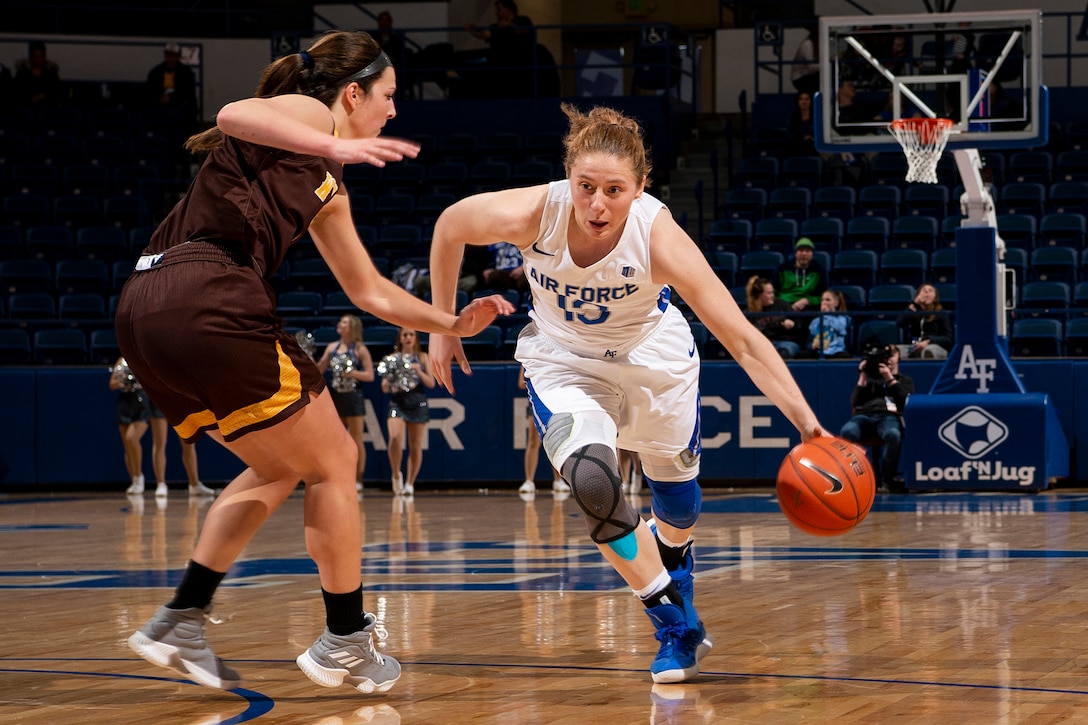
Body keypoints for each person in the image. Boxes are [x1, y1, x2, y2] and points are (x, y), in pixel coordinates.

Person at [114, 30, 513, 695]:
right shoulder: (311, 113)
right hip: (210, 293)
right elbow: (230, 114)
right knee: (336, 461)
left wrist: (450, 323)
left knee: (282, 464)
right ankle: (346, 639)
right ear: (352, 92)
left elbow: (368, 291)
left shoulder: (329, 181)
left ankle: (181, 617)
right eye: (386, 96)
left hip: (146, 308)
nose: (391, 111)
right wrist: (330, 138)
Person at [425, 103, 828, 683]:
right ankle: (671, 621)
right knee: (592, 479)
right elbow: (449, 226)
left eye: (614, 190)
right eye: (585, 186)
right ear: (569, 178)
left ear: (641, 188)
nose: (596, 203)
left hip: (652, 361)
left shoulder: (659, 238)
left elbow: (740, 338)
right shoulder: (536, 213)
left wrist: (806, 423)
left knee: (680, 508)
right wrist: (440, 326)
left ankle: (677, 564)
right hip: (564, 362)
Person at [839, 344, 915, 493]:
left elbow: (904, 402)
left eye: (892, 356)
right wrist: (863, 376)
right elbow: (854, 401)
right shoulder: (870, 378)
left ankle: (887, 479)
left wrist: (889, 378)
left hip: (888, 416)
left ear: (898, 358)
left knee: (893, 434)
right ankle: (857, 476)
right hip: (864, 415)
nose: (889, 360)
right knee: (847, 431)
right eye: (886, 357)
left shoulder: (905, 380)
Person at [317, 314, 376, 492]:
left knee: (356, 438)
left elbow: (370, 375)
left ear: (352, 327)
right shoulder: (331, 347)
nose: (339, 324)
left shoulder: (360, 349)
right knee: (336, 440)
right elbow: (320, 369)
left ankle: (358, 478)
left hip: (354, 396)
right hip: (335, 396)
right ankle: (338, 477)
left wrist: (352, 374)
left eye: (343, 322)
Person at [380, 328, 436, 497]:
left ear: (416, 338)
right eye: (405, 335)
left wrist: (419, 370)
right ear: (400, 338)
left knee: (415, 445)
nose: (408, 337)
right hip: (397, 401)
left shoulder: (423, 357)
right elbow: (384, 387)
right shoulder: (392, 359)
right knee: (395, 438)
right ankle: (396, 473)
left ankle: (410, 483)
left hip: (417, 401)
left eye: (411, 334)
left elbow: (431, 383)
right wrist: (389, 382)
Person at [517, 365, 567, 498]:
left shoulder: (556, 359)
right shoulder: (529, 360)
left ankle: (558, 480)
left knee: (555, 442)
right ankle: (529, 481)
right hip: (536, 403)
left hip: (555, 404)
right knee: (533, 442)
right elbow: (521, 383)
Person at [148, 397, 214, 498]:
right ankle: (161, 483)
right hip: (160, 397)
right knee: (159, 442)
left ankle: (194, 484)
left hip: (180, 398)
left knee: (189, 442)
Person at [110, 357, 150, 495]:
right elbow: (112, 384)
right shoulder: (120, 361)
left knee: (131, 438)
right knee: (127, 444)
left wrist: (136, 379)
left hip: (141, 402)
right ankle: (134, 479)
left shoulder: (142, 358)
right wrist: (124, 380)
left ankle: (139, 476)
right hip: (125, 403)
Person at [146, 42, 199, 134]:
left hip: (179, 105)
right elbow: (151, 90)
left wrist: (171, 98)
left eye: (173, 56)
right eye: (168, 55)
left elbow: (187, 92)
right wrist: (159, 98)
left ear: (177, 57)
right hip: (159, 104)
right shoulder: (155, 72)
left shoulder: (186, 73)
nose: (170, 59)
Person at [746, 275, 802, 359]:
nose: (772, 295)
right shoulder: (750, 312)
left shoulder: (781, 304)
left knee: (783, 353)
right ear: (759, 295)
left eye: (772, 292)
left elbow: (799, 325)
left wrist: (792, 324)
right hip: (763, 344)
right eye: (769, 293)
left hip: (785, 342)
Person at [896, 283, 953, 359]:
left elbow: (948, 339)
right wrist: (913, 304)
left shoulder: (941, 313)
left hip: (934, 346)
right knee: (895, 350)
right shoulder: (913, 311)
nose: (926, 293)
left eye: (930, 291)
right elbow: (899, 323)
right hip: (913, 346)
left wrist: (928, 341)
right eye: (923, 290)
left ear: (935, 297)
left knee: (928, 351)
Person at [797, 289, 852, 359]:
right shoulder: (816, 320)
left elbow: (840, 328)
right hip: (818, 351)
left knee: (844, 357)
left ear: (836, 303)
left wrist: (827, 314)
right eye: (822, 300)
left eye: (827, 300)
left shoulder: (842, 318)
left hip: (835, 351)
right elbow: (812, 332)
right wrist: (822, 316)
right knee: (801, 355)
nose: (824, 302)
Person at [776, 237, 826, 312]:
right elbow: (773, 292)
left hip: (808, 307)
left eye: (808, 251)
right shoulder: (782, 269)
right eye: (801, 250)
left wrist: (807, 301)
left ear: (812, 254)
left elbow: (822, 296)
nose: (804, 253)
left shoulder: (819, 271)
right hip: (783, 306)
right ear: (795, 253)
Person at [13, 40, 62, 108]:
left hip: (47, 108)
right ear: (31, 57)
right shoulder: (23, 73)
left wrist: (44, 96)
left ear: (44, 57)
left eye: (41, 56)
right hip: (26, 107)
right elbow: (17, 92)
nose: (38, 59)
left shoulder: (51, 73)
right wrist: (30, 99)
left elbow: (57, 92)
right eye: (35, 56)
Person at [790, 24, 820, 97]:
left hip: (808, 74)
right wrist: (826, 64)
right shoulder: (807, 44)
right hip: (799, 77)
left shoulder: (818, 46)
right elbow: (812, 67)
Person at [787, 91, 816, 157]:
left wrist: (812, 139)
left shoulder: (817, 117)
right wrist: (802, 138)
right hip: (797, 147)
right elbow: (790, 135)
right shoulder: (792, 118)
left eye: (807, 99)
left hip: (814, 147)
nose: (804, 102)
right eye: (801, 99)